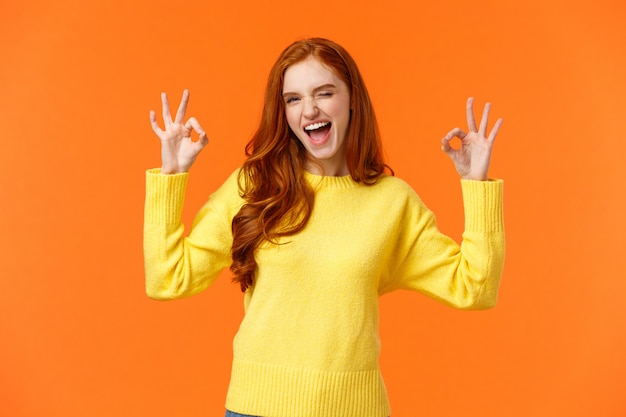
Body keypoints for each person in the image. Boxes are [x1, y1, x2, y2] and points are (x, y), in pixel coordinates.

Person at [144, 37, 504, 417]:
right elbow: (167, 278)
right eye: (293, 99)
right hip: (256, 408)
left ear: (352, 99)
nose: (310, 109)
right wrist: (172, 173)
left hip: (354, 409)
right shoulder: (253, 187)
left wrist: (476, 183)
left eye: (325, 92)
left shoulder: (391, 202)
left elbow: (475, 288)